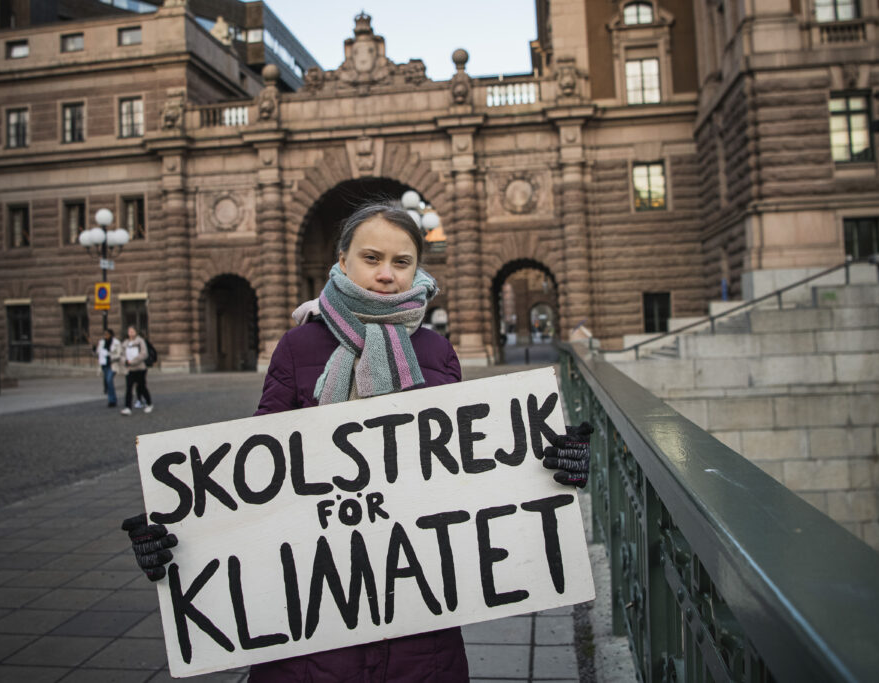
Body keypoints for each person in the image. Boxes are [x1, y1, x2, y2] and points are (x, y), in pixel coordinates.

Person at [122, 202, 591, 681]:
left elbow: (470, 468)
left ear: (417, 268)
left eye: (402, 261)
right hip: (312, 619)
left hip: (418, 618)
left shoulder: (437, 351)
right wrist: (179, 532)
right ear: (342, 260)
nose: (386, 274)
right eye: (371, 258)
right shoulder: (297, 348)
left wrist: (550, 467)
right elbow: (258, 472)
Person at [121, 325, 153, 415]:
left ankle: (149, 403)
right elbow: (122, 354)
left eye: (132, 331)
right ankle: (128, 407)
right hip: (129, 369)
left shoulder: (140, 341)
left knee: (142, 387)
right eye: (129, 331)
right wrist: (125, 361)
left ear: (136, 332)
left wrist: (133, 361)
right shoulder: (125, 343)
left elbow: (144, 354)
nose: (131, 333)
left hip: (140, 368)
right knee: (129, 388)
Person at [96, 328, 122, 408]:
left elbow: (119, 353)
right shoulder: (102, 342)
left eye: (107, 334)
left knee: (109, 380)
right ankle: (111, 399)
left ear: (111, 335)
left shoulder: (116, 343)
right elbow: (98, 352)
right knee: (108, 382)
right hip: (104, 365)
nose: (105, 336)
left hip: (112, 364)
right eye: (104, 334)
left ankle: (112, 400)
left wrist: (110, 355)